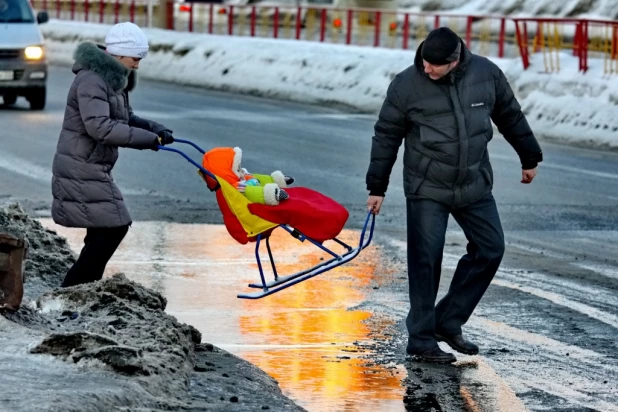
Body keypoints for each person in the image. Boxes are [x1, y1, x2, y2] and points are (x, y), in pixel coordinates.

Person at [365, 27, 543, 363]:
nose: (426, 69)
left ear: (455, 60)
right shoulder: (406, 85)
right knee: (425, 261)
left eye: (434, 65)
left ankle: (447, 322)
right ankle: (420, 340)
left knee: (491, 249)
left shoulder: (486, 74)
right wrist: (378, 186)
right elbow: (386, 136)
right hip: (427, 186)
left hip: (473, 182)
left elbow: (510, 114)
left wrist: (529, 156)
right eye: (423, 61)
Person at [51, 22, 174, 288]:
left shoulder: (111, 79)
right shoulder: (91, 80)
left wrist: (156, 129)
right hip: (80, 166)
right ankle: (71, 290)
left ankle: (84, 290)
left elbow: (125, 118)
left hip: (92, 165)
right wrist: (148, 140)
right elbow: (101, 127)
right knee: (115, 225)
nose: (137, 65)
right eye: (135, 59)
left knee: (102, 231)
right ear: (118, 55)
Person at [201, 146, 294, 206]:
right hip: (253, 216)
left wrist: (276, 180)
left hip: (258, 204)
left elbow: (257, 179)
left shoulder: (240, 179)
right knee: (250, 187)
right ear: (227, 172)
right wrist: (272, 194)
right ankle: (275, 193)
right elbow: (253, 193)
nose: (240, 169)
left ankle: (274, 182)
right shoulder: (236, 189)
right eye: (237, 168)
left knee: (252, 178)